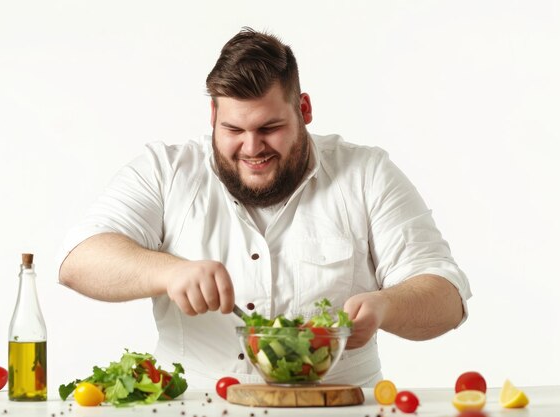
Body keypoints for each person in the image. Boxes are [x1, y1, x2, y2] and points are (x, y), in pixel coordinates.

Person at [58, 27, 471, 388]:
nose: (252, 148)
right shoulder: (165, 170)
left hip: (338, 405)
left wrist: (387, 306)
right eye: (234, 129)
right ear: (213, 116)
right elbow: (80, 261)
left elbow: (446, 298)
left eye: (269, 128)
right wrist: (169, 272)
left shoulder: (367, 173)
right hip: (196, 403)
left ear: (303, 110)